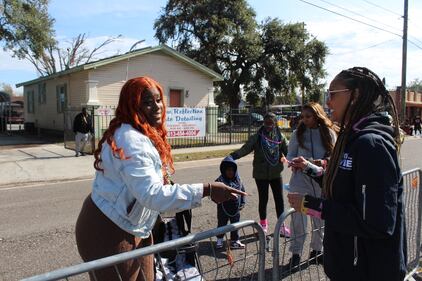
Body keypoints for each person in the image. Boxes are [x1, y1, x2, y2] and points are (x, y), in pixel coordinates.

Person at [75, 76, 246, 281]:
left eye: (158, 100)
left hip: (136, 226)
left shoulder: (143, 133)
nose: (156, 107)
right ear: (131, 106)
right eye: (147, 102)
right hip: (107, 229)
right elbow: (153, 195)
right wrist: (208, 189)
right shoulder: (130, 140)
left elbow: (149, 189)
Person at [287, 67, 406, 281]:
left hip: (368, 271)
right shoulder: (352, 136)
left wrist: (311, 205)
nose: (328, 102)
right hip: (348, 267)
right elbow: (344, 185)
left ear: (356, 95)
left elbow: (377, 222)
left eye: (333, 94)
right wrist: (309, 168)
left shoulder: (372, 144)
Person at [282, 102, 337, 272]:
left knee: (319, 217)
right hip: (299, 181)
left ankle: (316, 251)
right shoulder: (297, 133)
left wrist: (321, 162)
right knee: (298, 219)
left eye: (308, 116)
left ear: (317, 115)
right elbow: (290, 154)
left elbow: (334, 155)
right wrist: (294, 162)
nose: (305, 120)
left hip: (321, 181)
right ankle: (296, 253)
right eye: (303, 117)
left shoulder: (328, 133)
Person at [230, 112, 290, 236]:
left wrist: (296, 159)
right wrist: (232, 156)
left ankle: (282, 226)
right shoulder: (257, 136)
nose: (268, 127)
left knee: (279, 200)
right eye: (266, 124)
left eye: (271, 124)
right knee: (263, 199)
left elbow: (288, 151)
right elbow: (246, 148)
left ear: (275, 124)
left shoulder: (280, 136)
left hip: (275, 173)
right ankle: (264, 225)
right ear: (263, 123)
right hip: (260, 174)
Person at [215, 156, 246, 250]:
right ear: (223, 170)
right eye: (228, 170)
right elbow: (214, 194)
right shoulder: (219, 181)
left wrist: (242, 202)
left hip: (235, 208)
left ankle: (235, 240)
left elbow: (242, 191)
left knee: (235, 225)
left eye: (232, 170)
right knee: (222, 224)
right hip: (223, 208)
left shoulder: (238, 180)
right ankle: (219, 240)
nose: (230, 172)